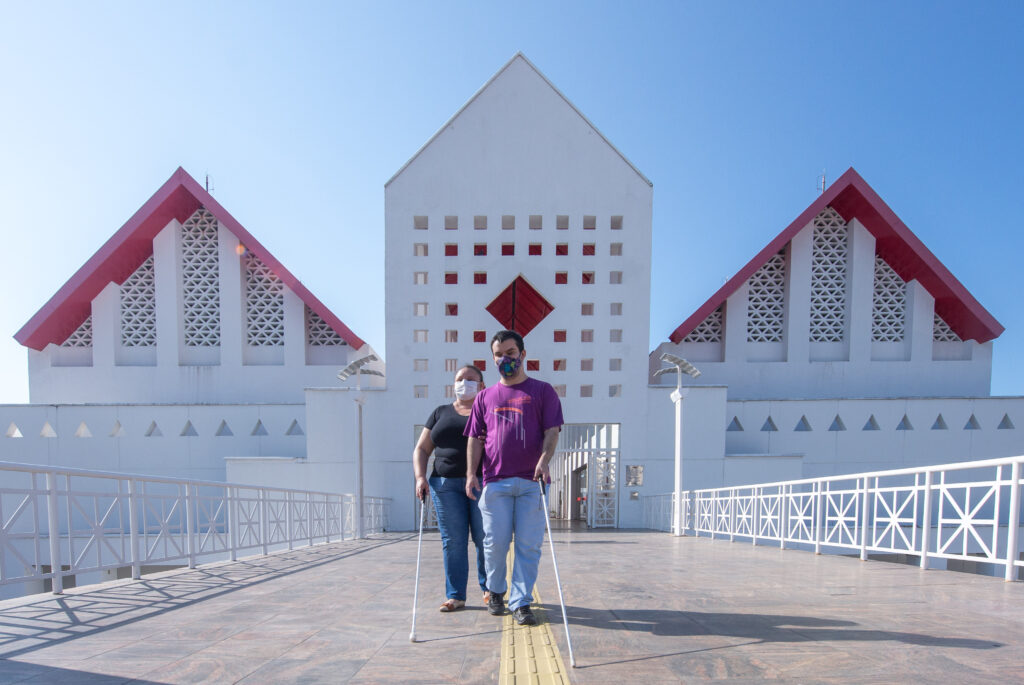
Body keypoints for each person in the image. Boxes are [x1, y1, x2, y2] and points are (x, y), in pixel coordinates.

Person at [465, 330, 563, 626]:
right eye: (499, 354)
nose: (505, 359)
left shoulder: (543, 391)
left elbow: (552, 431)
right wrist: (471, 473)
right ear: (493, 358)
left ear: (523, 354)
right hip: (495, 482)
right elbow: (474, 438)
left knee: (528, 545)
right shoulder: (484, 397)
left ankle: (521, 601)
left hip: (531, 484)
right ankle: (495, 591)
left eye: (510, 352)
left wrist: (544, 461)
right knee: (494, 542)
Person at [413, 365, 489, 612]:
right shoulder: (440, 413)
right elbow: (422, 449)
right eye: (459, 379)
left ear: (481, 386)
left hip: (480, 482)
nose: (463, 383)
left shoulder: (488, 411)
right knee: (453, 541)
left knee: (484, 538)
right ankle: (455, 595)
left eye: (470, 379)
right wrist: (420, 477)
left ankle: (490, 590)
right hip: (444, 484)